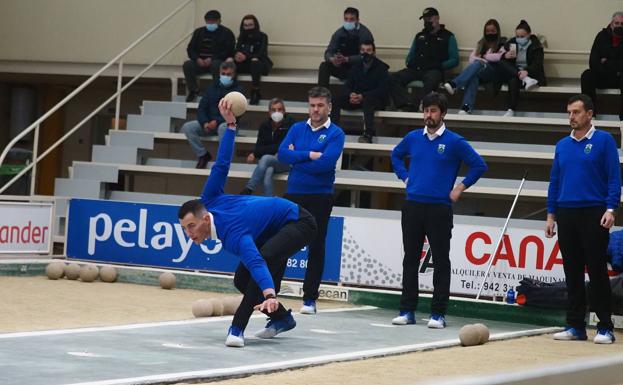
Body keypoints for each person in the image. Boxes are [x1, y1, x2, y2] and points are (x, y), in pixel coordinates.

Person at [178, 98, 317, 348]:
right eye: (184, 229)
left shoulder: (232, 232)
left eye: (191, 226)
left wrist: (270, 294)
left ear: (205, 218)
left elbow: (257, 261)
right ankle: (282, 319)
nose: (189, 234)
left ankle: (237, 328)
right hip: (273, 229)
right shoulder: (210, 204)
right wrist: (230, 126)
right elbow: (221, 165)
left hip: (299, 222)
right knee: (241, 281)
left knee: (263, 258)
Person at [390, 92, 487, 328]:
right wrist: (405, 177)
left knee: (441, 260)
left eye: (433, 111)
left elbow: (479, 165)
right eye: (426, 110)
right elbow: (395, 155)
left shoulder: (455, 141)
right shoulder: (413, 137)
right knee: (410, 259)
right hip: (413, 205)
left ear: (443, 114)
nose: (428, 115)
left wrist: (460, 188)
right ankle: (407, 310)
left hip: (439, 209)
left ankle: (438, 314)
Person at [545, 94, 620, 344]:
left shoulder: (604, 140)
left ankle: (605, 327)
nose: (571, 117)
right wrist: (551, 215)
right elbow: (555, 181)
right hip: (566, 213)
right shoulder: (562, 145)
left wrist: (611, 208)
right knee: (572, 271)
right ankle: (575, 325)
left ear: (589, 114)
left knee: (597, 270)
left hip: (594, 212)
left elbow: (613, 177)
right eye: (569, 112)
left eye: (576, 112)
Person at [278, 86, 345, 314]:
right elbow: (282, 154)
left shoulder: (336, 133)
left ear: (329, 107)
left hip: (320, 196)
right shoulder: (297, 128)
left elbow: (325, 165)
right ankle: (271, 293)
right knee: (281, 244)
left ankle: (309, 299)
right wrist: (309, 154)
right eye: (312, 105)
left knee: (316, 246)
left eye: (320, 106)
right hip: (294, 194)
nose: (315, 110)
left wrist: (298, 157)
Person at [389, 7, 458, 111]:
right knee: (392, 78)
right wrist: (409, 61)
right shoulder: (419, 36)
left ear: (437, 18)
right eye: (425, 19)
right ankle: (406, 103)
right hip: (415, 69)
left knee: (432, 81)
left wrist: (440, 66)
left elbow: (454, 59)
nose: (427, 21)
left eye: (429, 18)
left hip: (433, 71)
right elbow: (410, 55)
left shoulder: (448, 36)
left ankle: (417, 105)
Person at [181, 61, 243, 169]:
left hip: (228, 124)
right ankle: (203, 155)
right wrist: (205, 122)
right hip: (209, 123)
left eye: (228, 74)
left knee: (223, 127)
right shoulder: (211, 87)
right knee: (187, 127)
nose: (225, 76)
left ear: (234, 75)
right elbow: (202, 107)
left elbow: (235, 113)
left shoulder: (238, 91)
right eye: (223, 74)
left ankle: (222, 161)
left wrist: (216, 121)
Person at [443, 19, 507, 114]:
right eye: (488, 31)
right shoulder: (481, 43)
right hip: (480, 73)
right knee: (474, 77)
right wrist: (482, 60)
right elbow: (471, 59)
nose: (490, 33)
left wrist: (484, 57)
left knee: (479, 63)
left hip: (493, 72)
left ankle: (455, 84)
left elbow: (499, 57)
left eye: (492, 31)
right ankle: (466, 107)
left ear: (497, 31)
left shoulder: (502, 43)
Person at [330, 40, 389, 144]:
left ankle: (368, 134)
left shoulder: (382, 68)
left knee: (368, 101)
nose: (365, 53)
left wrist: (363, 96)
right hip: (357, 99)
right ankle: (333, 133)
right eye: (363, 50)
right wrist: (350, 94)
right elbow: (347, 85)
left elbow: (382, 90)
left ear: (374, 52)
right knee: (335, 100)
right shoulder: (356, 67)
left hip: (374, 100)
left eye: (369, 50)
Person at [240, 98, 294, 196]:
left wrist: (262, 151)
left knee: (265, 158)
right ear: (269, 112)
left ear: (284, 111)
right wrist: (273, 149)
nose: (277, 112)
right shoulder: (264, 126)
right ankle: (269, 200)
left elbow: (281, 147)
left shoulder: (291, 125)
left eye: (279, 109)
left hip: (287, 162)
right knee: (268, 170)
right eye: (273, 110)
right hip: (270, 162)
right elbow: (258, 148)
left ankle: (249, 188)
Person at [183, 10, 236, 102]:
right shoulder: (198, 32)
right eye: (208, 21)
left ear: (219, 21)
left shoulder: (226, 33)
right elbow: (190, 49)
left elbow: (229, 50)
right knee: (188, 64)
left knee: (217, 64)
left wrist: (212, 59)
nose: (210, 23)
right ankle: (193, 90)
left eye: (213, 21)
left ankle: (218, 90)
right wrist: (197, 59)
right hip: (200, 62)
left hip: (217, 61)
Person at [496, 20, 546, 117]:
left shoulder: (536, 46)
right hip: (517, 73)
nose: (519, 39)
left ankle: (512, 108)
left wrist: (527, 71)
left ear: (529, 35)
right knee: (505, 67)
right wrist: (505, 55)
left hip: (531, 74)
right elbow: (502, 60)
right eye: (517, 36)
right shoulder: (512, 44)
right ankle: (511, 109)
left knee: (513, 79)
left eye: (522, 37)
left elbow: (537, 64)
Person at [317, 7, 374, 88]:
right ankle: (322, 96)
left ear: (357, 20)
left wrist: (348, 59)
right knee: (324, 66)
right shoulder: (339, 33)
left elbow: (368, 56)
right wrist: (332, 59)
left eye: (351, 19)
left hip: (360, 69)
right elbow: (328, 52)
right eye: (346, 19)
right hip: (343, 68)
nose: (348, 22)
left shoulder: (365, 34)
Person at [581, 12, 623, 120]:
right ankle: (590, 115)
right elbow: (593, 62)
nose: (619, 26)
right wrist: (612, 67)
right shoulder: (601, 36)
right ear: (611, 23)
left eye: (622, 24)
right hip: (603, 75)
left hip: (619, 78)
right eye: (616, 23)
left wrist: (606, 62)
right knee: (587, 75)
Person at [234, 15, 273, 105]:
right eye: (246, 25)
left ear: (255, 25)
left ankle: (255, 91)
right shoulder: (241, 37)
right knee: (230, 63)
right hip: (245, 64)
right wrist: (237, 55)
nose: (248, 27)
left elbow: (261, 53)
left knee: (255, 61)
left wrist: (246, 57)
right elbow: (238, 50)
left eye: (250, 25)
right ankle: (232, 92)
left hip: (260, 64)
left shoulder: (263, 36)